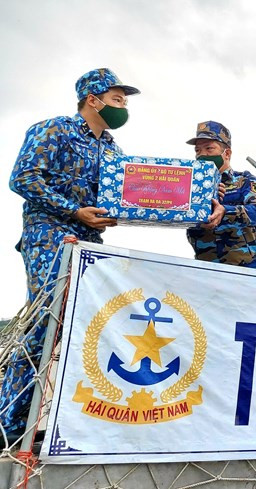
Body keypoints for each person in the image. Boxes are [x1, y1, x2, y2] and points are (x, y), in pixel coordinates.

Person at [2, 68, 140, 438]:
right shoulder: (54, 130)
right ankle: (9, 426)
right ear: (92, 99)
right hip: (50, 236)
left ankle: (60, 423)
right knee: (44, 323)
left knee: (82, 329)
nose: (123, 105)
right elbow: (23, 178)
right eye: (116, 99)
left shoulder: (112, 149)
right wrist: (71, 211)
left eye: (125, 100)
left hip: (90, 244)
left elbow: (127, 194)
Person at [185, 121, 256, 268]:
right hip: (206, 270)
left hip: (246, 271)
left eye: (209, 148)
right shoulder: (192, 187)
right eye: (197, 150)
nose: (202, 154)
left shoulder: (244, 181)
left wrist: (225, 211)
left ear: (227, 153)